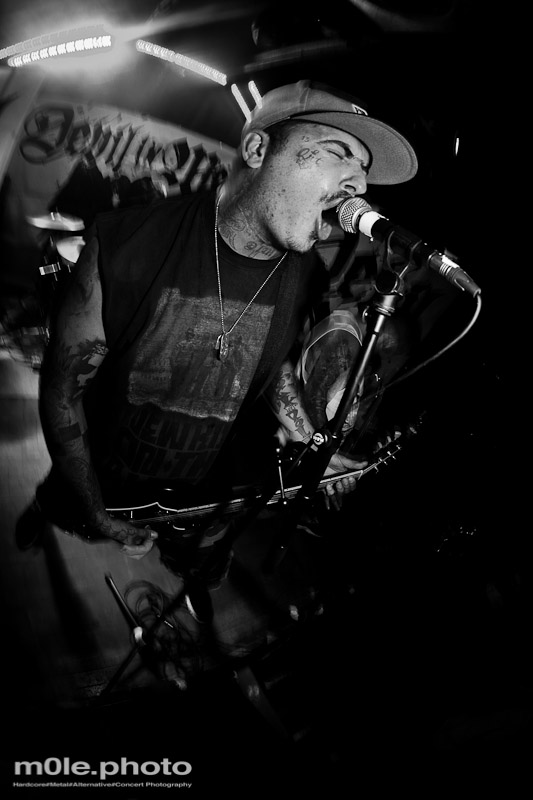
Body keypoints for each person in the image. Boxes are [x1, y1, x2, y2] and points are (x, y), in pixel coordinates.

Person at [16, 80, 418, 620]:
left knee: (204, 563)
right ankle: (43, 510)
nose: (359, 184)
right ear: (257, 149)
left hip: (202, 491)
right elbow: (64, 390)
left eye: (364, 170)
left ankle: (194, 589)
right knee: (61, 506)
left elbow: (270, 364)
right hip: (105, 479)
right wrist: (91, 506)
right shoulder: (126, 245)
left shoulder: (305, 273)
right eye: (338, 152)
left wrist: (311, 438)